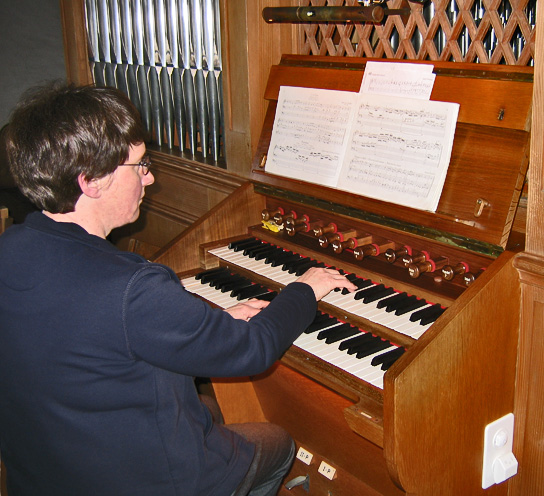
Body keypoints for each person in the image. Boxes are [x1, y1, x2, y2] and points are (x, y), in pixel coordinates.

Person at [0, 82, 355, 495]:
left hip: (44, 470)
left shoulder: (10, 248)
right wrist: (304, 289)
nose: (149, 178)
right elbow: (252, 350)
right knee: (277, 442)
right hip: (146, 482)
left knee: (204, 407)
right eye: (139, 165)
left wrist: (213, 323)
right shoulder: (131, 287)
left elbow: (94, 335)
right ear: (91, 181)